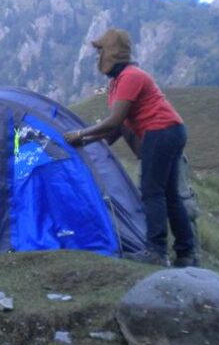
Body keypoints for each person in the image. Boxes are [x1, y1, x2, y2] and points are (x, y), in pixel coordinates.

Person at [64, 28, 197, 267]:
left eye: (101, 51)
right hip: (172, 130)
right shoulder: (119, 82)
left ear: (112, 52)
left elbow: (114, 121)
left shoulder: (130, 77)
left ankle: (156, 251)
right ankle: (186, 253)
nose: (98, 57)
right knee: (170, 196)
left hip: (161, 131)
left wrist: (80, 134)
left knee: (152, 192)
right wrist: (85, 144)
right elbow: (116, 129)